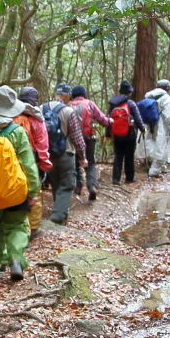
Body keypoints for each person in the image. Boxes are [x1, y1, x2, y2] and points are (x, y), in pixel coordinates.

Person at [0, 86, 40, 280]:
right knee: (16, 226)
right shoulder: (17, 132)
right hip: (15, 190)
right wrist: (32, 191)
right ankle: (15, 259)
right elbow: (28, 165)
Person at [42, 83, 87, 224]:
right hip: (65, 153)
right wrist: (83, 157)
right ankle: (58, 216)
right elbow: (77, 139)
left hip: (47, 154)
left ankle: (60, 211)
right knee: (67, 185)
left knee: (55, 183)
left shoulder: (40, 109)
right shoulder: (69, 112)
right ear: (67, 95)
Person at [14, 87, 52, 236]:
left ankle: (18, 227)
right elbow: (43, 146)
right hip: (32, 162)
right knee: (34, 193)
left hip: (14, 162)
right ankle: (34, 228)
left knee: (16, 193)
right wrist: (44, 165)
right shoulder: (37, 120)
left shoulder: (11, 116)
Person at [69, 85, 110, 202]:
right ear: (84, 94)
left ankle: (77, 187)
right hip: (88, 138)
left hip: (73, 139)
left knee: (76, 163)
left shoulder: (69, 106)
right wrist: (109, 121)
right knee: (90, 163)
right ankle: (92, 186)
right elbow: (103, 120)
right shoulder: (90, 104)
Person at [106, 81, 145, 185]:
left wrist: (108, 134)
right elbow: (137, 118)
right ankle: (129, 178)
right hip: (130, 134)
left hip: (117, 134)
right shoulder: (131, 103)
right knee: (129, 155)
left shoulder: (113, 103)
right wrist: (142, 129)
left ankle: (116, 179)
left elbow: (108, 119)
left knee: (118, 156)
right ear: (129, 92)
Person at [143, 79, 170, 177]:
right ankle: (154, 170)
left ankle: (157, 166)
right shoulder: (165, 97)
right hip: (160, 124)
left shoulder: (148, 95)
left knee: (151, 144)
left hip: (148, 123)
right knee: (161, 145)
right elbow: (167, 114)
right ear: (167, 87)